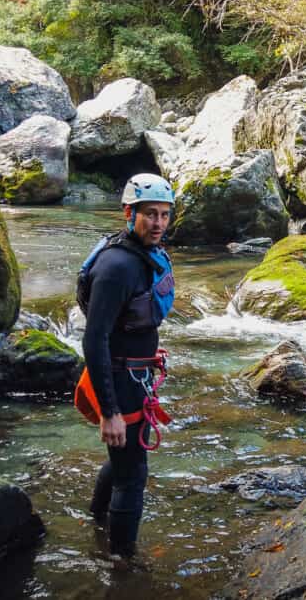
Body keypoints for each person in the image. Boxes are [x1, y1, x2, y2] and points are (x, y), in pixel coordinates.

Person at [82, 172, 176, 559]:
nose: (157, 224)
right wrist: (110, 412)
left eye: (164, 215)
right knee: (133, 475)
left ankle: (95, 520)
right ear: (129, 213)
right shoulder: (117, 266)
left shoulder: (144, 257)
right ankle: (122, 565)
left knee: (123, 462)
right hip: (120, 381)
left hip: (136, 376)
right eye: (149, 214)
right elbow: (94, 338)